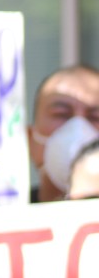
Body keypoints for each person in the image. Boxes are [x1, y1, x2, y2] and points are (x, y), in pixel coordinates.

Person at [27, 64, 99, 202]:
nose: (79, 127)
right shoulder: (4, 216)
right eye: (62, 114)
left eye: (94, 116)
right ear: (30, 141)